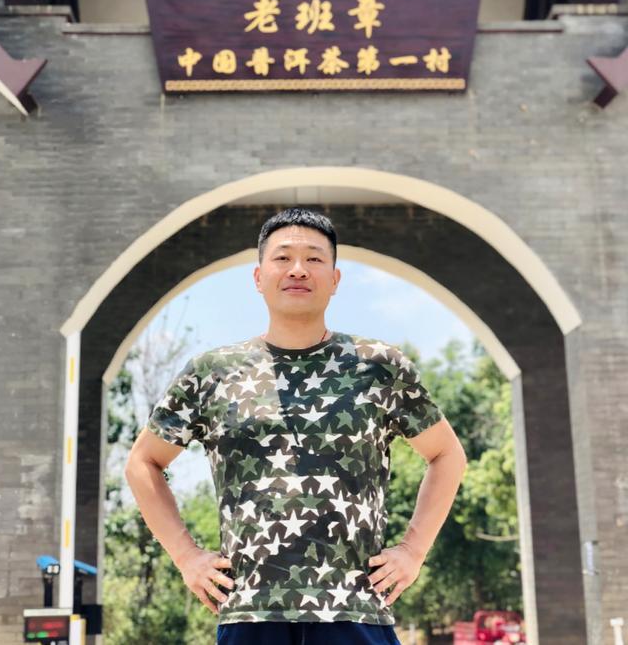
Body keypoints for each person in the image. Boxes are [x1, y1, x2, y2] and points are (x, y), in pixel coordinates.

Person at [125, 207, 467, 645]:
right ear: (258, 277)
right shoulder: (212, 372)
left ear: (335, 279)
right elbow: (143, 462)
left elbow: (447, 454)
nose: (298, 270)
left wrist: (413, 551)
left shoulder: (379, 366)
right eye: (283, 257)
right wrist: (186, 556)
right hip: (250, 613)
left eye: (314, 259)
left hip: (355, 610)